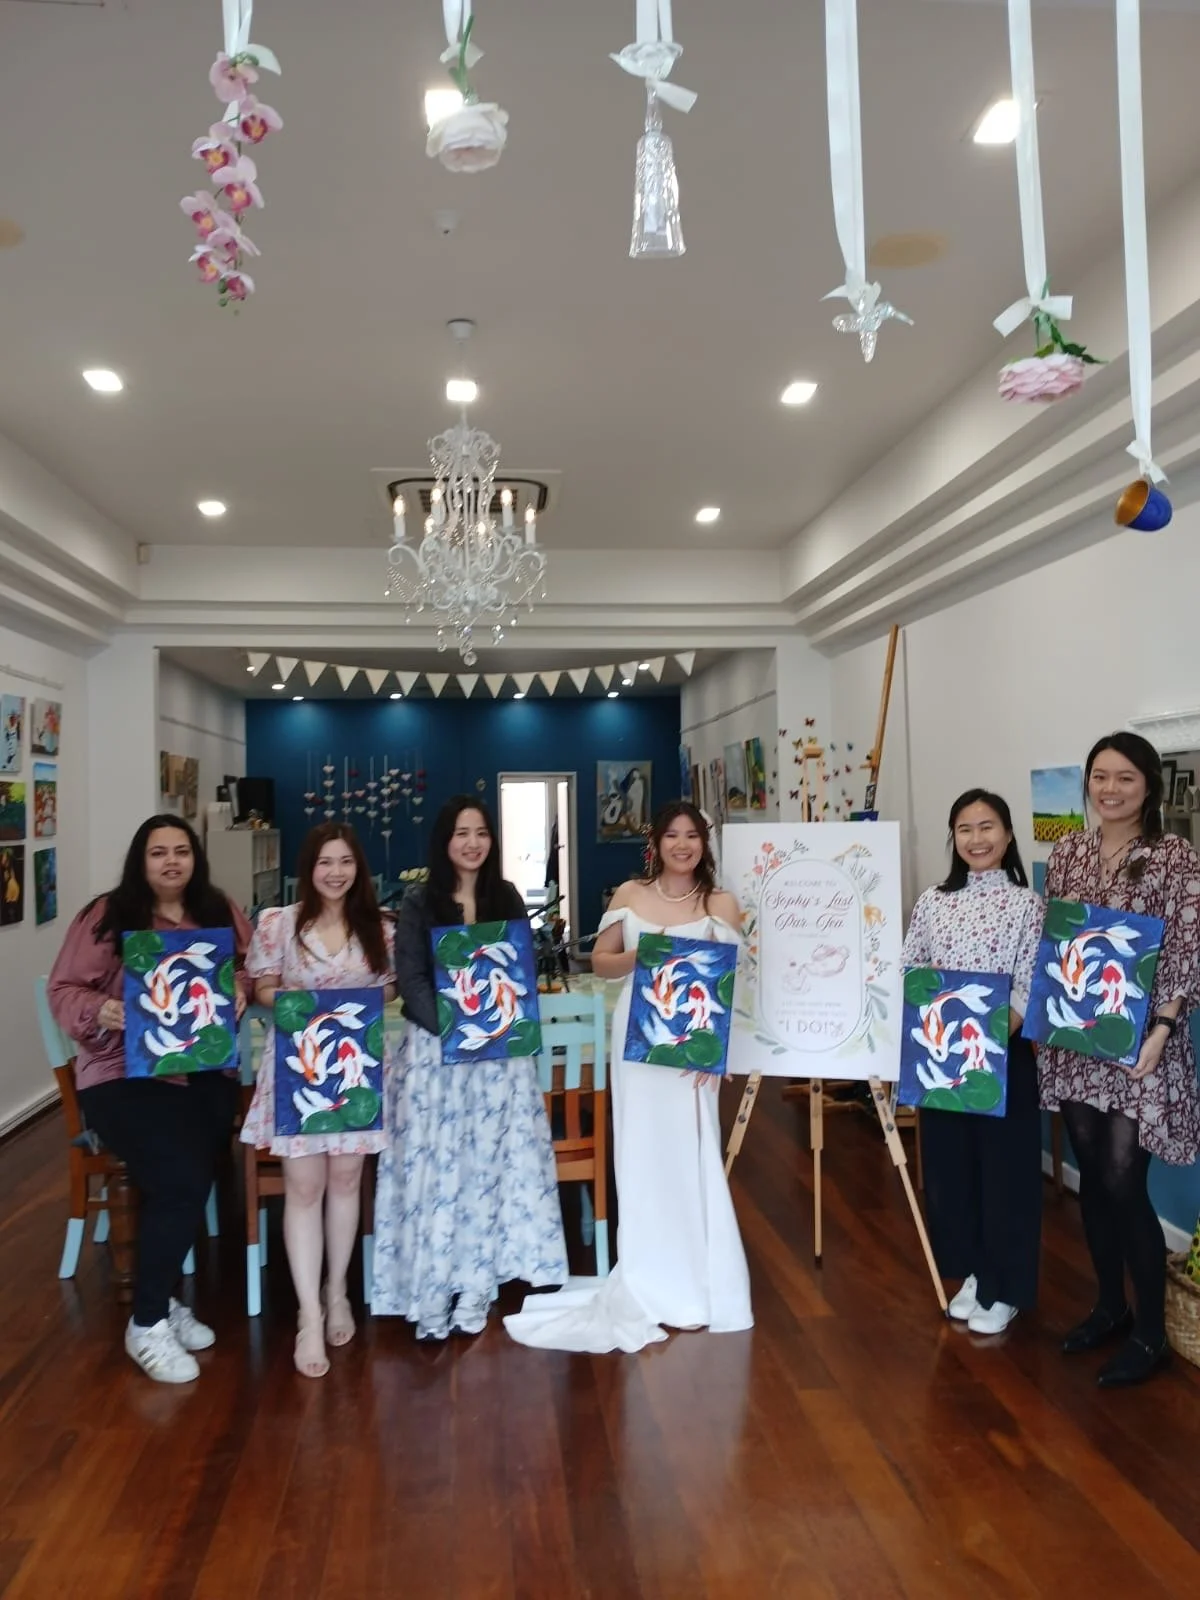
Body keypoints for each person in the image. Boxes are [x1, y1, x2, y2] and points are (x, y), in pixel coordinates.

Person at [505, 800, 753, 1352]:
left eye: (693, 836)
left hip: (692, 1045)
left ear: (704, 845)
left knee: (691, 1155)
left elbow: (728, 984)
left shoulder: (722, 903)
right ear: (657, 844)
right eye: (673, 836)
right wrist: (646, 955)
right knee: (641, 1157)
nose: (683, 845)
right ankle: (647, 1281)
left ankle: (696, 1283)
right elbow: (601, 962)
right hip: (638, 1038)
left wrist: (720, 1054)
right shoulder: (629, 895)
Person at [47, 816, 253, 1384]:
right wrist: (100, 1012)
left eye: (182, 851)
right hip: (122, 1072)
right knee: (182, 1179)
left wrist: (239, 987)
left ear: (196, 858)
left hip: (205, 1068)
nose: (171, 862)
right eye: (158, 852)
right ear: (141, 860)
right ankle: (146, 1323)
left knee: (197, 1175)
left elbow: (250, 969)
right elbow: (63, 989)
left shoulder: (219, 910)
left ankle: (161, 1300)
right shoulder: (108, 916)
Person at [371, 796, 567, 1340]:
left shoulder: (505, 897)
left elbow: (518, 971)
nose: (472, 842)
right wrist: (458, 1030)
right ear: (444, 840)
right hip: (435, 1059)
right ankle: (433, 1286)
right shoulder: (418, 902)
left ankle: (478, 1285)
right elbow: (409, 981)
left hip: (499, 1062)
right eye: (462, 833)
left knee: (486, 1174)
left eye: (481, 832)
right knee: (438, 1176)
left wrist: (488, 1032)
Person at [1039, 731, 1200, 1385]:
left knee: (1122, 1179)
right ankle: (1109, 1306)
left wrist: (1163, 1027)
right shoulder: (1070, 849)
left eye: (1126, 779)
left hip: (1143, 1044)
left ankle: (1152, 1332)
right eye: (1100, 777)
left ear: (1150, 788)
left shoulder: (1173, 854)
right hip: (1079, 1038)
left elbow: (1188, 948)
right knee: (1092, 1174)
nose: (1111, 790)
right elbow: (1058, 934)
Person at [240, 823, 396, 1378]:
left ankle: (337, 1292)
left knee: (347, 1181)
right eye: (325, 862)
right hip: (297, 1071)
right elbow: (259, 986)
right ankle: (308, 1313)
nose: (336, 872)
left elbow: (391, 988)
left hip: (354, 1072)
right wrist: (286, 996)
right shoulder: (278, 923)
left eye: (346, 862)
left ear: (359, 869)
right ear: (309, 868)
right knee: (303, 1188)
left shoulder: (378, 927)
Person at [902, 789, 1044, 1335]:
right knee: (951, 1174)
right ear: (953, 838)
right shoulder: (933, 900)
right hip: (941, 1060)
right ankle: (976, 1277)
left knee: (1003, 1175)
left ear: (1007, 836)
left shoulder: (1026, 904)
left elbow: (1030, 982)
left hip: (1001, 1057)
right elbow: (911, 964)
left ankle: (1007, 1287)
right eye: (965, 829)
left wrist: (984, 1040)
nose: (977, 839)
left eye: (988, 827)